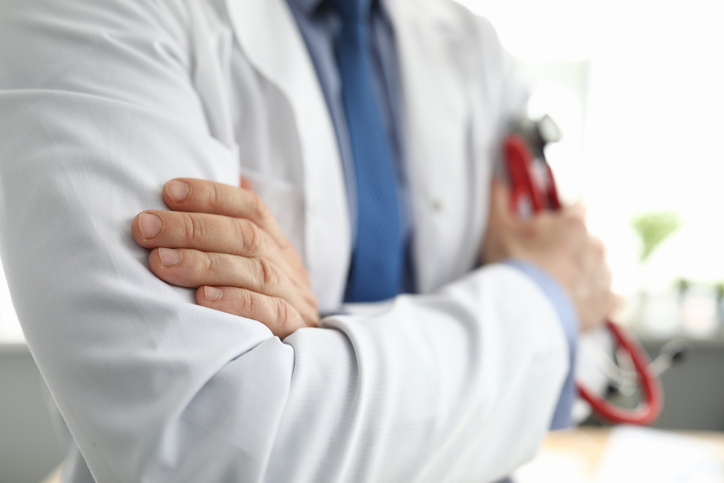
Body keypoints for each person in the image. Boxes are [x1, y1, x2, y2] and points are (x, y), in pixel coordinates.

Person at [0, 0, 615, 481]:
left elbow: (586, 350)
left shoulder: (475, 47)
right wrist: (538, 303)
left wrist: (305, 349)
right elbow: (210, 451)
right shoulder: (89, 15)